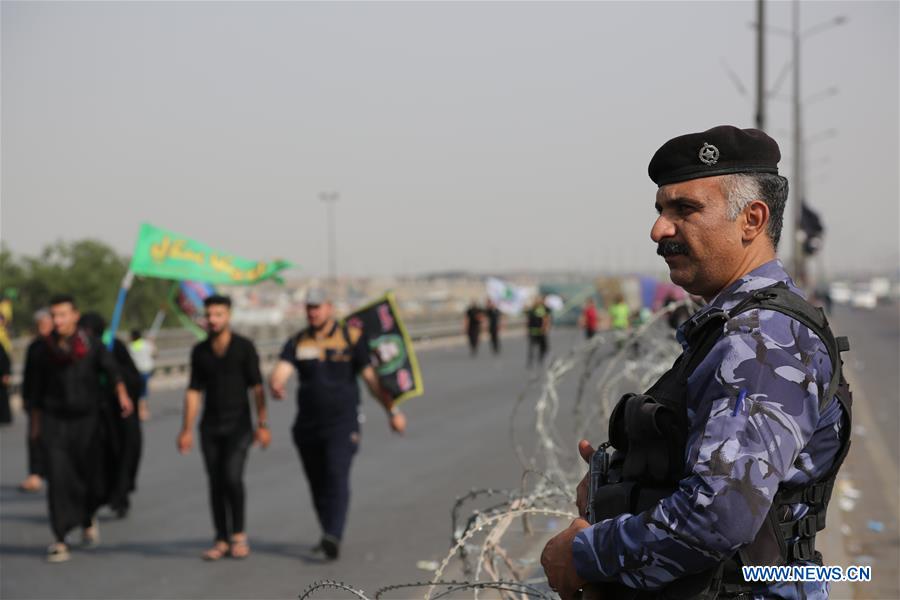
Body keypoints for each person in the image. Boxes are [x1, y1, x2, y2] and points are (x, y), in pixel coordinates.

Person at [541, 125, 851, 599]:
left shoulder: (761, 340)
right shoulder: (735, 327)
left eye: (684, 210)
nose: (659, 229)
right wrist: (625, 473)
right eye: (661, 210)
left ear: (751, 220)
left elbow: (718, 516)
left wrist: (584, 552)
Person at [268, 288, 406, 560]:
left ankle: (334, 534)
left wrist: (393, 411)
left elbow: (370, 380)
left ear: (329, 308)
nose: (313, 312)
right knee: (317, 481)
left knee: (336, 473)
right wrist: (276, 384)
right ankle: (327, 531)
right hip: (307, 425)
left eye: (318, 307)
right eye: (309, 307)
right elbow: (281, 370)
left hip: (342, 423)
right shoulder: (299, 341)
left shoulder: (350, 339)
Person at [33, 295, 133, 563]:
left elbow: (112, 371)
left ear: (75, 315)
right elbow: (34, 392)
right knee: (58, 477)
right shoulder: (43, 349)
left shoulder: (91, 345)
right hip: (55, 421)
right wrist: (35, 427)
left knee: (86, 475)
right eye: (54, 316)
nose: (58, 321)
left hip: (87, 421)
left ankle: (87, 518)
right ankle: (60, 537)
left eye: (63, 315)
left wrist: (122, 394)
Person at [177, 294, 269, 561]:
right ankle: (220, 537)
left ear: (228, 316)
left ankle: (238, 534)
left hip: (239, 426)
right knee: (215, 482)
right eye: (209, 315)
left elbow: (257, 387)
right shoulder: (200, 352)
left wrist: (262, 423)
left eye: (218, 314)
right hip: (210, 428)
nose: (213, 320)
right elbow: (194, 391)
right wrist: (186, 429)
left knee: (232, 477)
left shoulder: (244, 347)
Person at [78, 312, 143, 519]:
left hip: (119, 415)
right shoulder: (80, 351)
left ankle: (121, 495)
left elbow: (134, 379)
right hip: (95, 415)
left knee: (125, 451)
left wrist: (115, 376)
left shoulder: (115, 347)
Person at [19, 309, 53, 493]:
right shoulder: (35, 346)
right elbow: (28, 374)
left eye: (46, 324)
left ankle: (55, 474)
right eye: (40, 325)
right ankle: (35, 475)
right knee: (34, 437)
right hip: (36, 401)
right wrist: (25, 397)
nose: (43, 328)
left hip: (56, 401)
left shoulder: (59, 345)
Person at [128, 329, 156, 421]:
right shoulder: (146, 344)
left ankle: (141, 411)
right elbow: (155, 354)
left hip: (136, 371)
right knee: (143, 392)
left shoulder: (131, 346)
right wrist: (152, 343)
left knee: (140, 392)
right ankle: (143, 411)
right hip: (146, 371)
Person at [525, 296, 550, 368]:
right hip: (533, 331)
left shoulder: (541, 309)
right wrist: (527, 330)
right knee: (532, 347)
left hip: (540, 331)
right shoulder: (533, 310)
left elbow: (545, 319)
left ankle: (540, 358)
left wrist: (544, 328)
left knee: (543, 346)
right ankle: (531, 361)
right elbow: (528, 320)